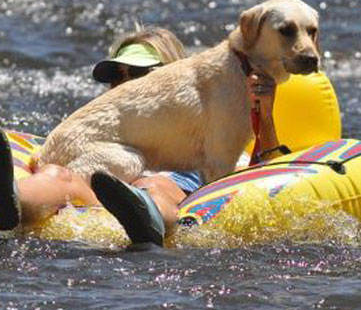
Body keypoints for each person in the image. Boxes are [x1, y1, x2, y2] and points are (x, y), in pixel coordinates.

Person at [0, 26, 279, 248]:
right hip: (102, 193)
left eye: (140, 73)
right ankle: (12, 201)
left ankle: (149, 222)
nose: (126, 85)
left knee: (153, 184)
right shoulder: (95, 131)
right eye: (117, 76)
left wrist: (264, 112)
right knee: (56, 175)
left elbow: (259, 176)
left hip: (161, 192)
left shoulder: (217, 129)